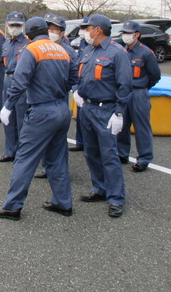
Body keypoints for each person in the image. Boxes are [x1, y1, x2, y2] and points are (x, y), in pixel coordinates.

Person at [0, 17, 77, 220]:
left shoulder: (32, 49)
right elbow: (73, 78)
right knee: (56, 158)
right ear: (46, 31)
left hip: (41, 110)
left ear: (28, 34)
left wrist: (8, 105)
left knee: (25, 158)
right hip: (61, 108)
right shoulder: (62, 50)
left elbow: (19, 81)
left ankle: (12, 206)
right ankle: (63, 202)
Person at [74, 14, 132, 218]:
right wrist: (76, 91)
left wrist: (119, 113)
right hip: (87, 108)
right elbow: (78, 74)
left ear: (97, 30)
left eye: (87, 28)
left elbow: (125, 85)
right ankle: (99, 188)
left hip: (106, 110)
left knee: (109, 155)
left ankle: (116, 198)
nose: (85, 32)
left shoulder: (117, 53)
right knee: (90, 152)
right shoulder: (88, 50)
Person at [33, 13, 78, 178]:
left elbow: (72, 76)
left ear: (62, 32)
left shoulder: (67, 50)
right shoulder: (43, 46)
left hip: (58, 98)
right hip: (43, 97)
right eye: (49, 28)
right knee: (46, 135)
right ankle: (47, 167)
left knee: (58, 138)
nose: (51, 31)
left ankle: (60, 169)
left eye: (55, 29)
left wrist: (60, 89)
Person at [117, 20, 161, 172]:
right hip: (123, 92)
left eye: (129, 33)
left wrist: (142, 87)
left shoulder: (146, 53)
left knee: (141, 127)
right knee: (121, 125)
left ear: (137, 35)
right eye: (124, 33)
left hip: (138, 93)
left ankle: (144, 158)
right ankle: (122, 153)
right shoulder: (122, 51)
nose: (126, 36)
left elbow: (155, 76)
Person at [0, 11, 27, 163]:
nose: (14, 28)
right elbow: (2, 62)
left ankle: (22, 154)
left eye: (17, 25)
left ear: (22, 26)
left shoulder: (27, 43)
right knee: (7, 118)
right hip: (8, 80)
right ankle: (9, 151)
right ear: (6, 26)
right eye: (12, 25)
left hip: (20, 83)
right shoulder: (6, 44)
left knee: (21, 119)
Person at [70, 17, 90, 152]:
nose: (82, 31)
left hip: (93, 87)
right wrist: (75, 88)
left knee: (91, 120)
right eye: (81, 28)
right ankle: (80, 142)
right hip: (81, 84)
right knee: (81, 118)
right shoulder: (82, 42)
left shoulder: (96, 45)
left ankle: (89, 145)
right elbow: (77, 65)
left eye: (85, 28)